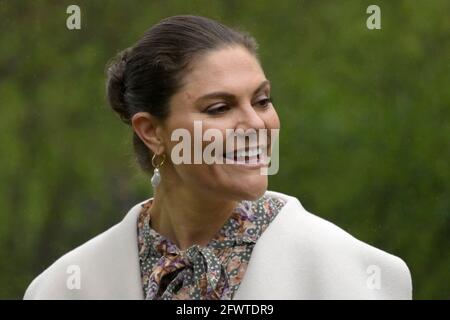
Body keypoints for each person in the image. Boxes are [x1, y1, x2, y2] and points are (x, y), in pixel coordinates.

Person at [24, 15, 412, 300]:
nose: (254, 124)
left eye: (261, 101)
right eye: (219, 108)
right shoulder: (65, 287)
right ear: (151, 132)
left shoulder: (358, 276)